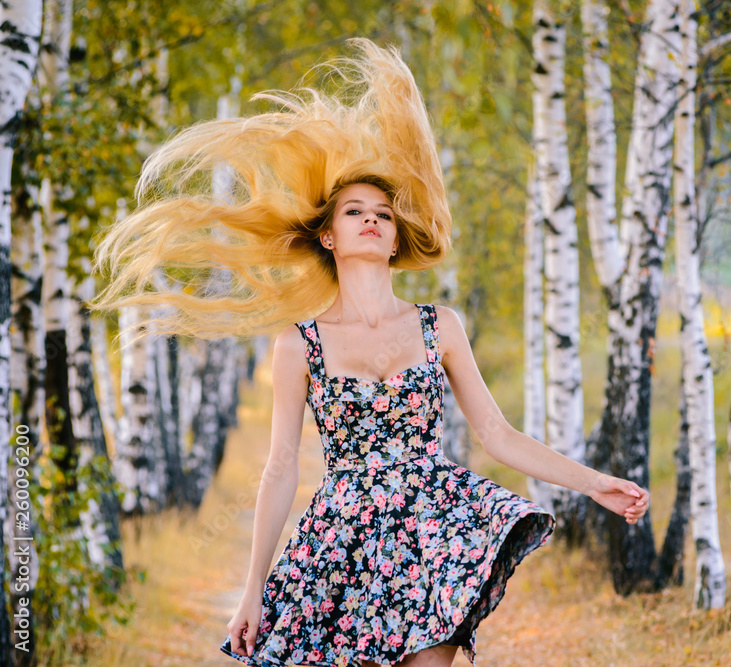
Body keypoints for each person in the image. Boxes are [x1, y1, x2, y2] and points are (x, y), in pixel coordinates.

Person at [90, 39, 649, 667]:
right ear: (328, 237)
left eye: (383, 213)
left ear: (396, 239)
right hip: (342, 543)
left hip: (431, 532)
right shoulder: (299, 344)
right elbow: (280, 468)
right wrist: (252, 591)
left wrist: (596, 483)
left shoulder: (440, 326)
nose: (371, 219)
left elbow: (498, 434)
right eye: (354, 211)